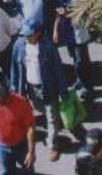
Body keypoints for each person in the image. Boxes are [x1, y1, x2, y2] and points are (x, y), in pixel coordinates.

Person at [9, 18, 69, 160]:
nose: (27, 38)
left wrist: (63, 90)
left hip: (48, 87)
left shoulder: (48, 46)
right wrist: (14, 89)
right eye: (25, 35)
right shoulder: (19, 45)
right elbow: (15, 69)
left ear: (38, 33)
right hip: (29, 87)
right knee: (36, 112)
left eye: (30, 35)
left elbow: (58, 68)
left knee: (51, 117)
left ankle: (53, 145)